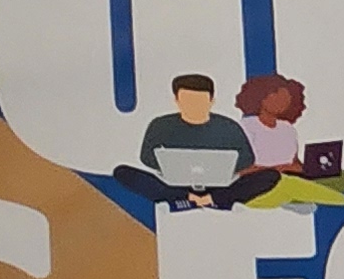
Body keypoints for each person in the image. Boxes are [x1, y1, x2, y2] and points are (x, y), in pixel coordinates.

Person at [113, 73, 268, 210]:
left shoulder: (228, 126)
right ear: (177, 100)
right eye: (187, 100)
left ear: (212, 101)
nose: (193, 106)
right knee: (123, 172)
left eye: (199, 100)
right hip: (174, 184)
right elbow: (146, 156)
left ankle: (214, 200)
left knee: (269, 176)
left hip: (220, 185)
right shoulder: (161, 125)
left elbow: (248, 158)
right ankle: (184, 198)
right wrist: (175, 166)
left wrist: (217, 168)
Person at [230, 74, 344, 207]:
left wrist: (304, 168)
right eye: (277, 96)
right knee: (281, 181)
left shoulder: (287, 129)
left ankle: (293, 198)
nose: (283, 102)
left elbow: (295, 162)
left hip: (291, 174)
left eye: (286, 98)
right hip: (262, 179)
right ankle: (330, 198)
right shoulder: (246, 126)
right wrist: (275, 169)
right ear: (261, 98)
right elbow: (239, 169)